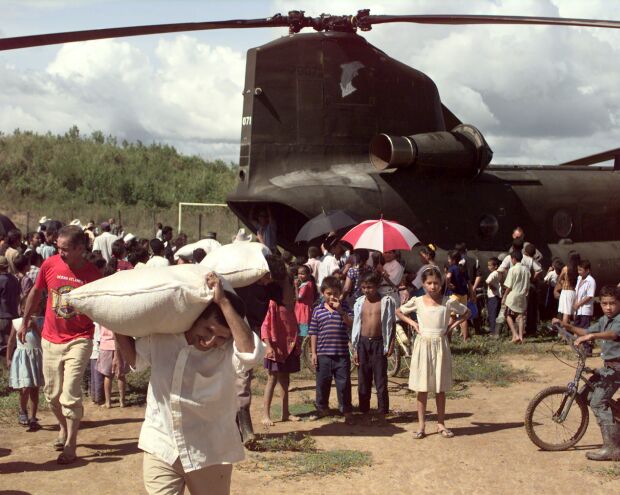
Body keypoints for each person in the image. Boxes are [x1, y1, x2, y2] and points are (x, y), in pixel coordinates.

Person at [115, 273, 264, 494]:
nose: (211, 341)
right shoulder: (162, 336)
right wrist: (114, 323)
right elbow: (135, 359)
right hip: (161, 444)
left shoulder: (229, 350)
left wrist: (223, 301)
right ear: (195, 318)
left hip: (210, 452)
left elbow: (251, 354)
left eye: (221, 337)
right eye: (208, 330)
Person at [19, 225, 102, 465]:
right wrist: (25, 321)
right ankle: (64, 427)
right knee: (52, 395)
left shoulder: (92, 275)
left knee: (70, 394)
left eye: (65, 249)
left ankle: (71, 444)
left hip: (80, 338)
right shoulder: (50, 264)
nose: (60, 253)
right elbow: (36, 293)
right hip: (50, 338)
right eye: (58, 248)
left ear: (80, 248)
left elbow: (102, 306)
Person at [397, 266, 470, 439]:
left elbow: (466, 312)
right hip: (423, 345)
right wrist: (413, 324)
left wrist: (451, 326)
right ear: (423, 284)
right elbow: (399, 312)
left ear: (441, 283)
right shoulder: (418, 301)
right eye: (429, 283)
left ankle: (440, 423)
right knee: (422, 388)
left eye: (436, 283)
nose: (433, 286)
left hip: (440, 346)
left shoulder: (448, 301)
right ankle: (421, 425)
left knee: (440, 387)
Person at [552, 286, 620, 461]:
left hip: (618, 370)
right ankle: (617, 422)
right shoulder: (604, 320)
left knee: (598, 402)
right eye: (605, 304)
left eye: (612, 303)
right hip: (609, 368)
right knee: (585, 394)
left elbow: (612, 335)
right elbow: (587, 331)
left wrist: (592, 338)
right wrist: (566, 325)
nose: (608, 307)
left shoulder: (618, 321)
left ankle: (612, 448)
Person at [309, 276, 353, 422]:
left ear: (340, 293)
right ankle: (322, 408)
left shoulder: (345, 307)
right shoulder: (318, 310)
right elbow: (314, 332)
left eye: (335, 293)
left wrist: (340, 311)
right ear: (323, 293)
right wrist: (314, 353)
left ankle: (346, 410)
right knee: (322, 382)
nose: (332, 296)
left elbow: (350, 323)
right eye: (328, 293)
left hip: (341, 354)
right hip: (323, 354)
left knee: (344, 383)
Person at [352, 271, 395, 417]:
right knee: (363, 379)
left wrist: (391, 344)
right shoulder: (359, 303)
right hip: (362, 343)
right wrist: (355, 348)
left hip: (379, 343)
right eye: (363, 287)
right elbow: (356, 326)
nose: (366, 290)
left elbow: (391, 324)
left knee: (380, 379)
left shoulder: (386, 302)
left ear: (377, 286)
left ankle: (382, 411)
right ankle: (364, 410)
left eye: (369, 287)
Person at [261, 282, 301, 426]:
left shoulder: (290, 307)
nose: (292, 292)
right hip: (276, 349)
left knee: (285, 380)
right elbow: (265, 326)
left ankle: (285, 412)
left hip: (288, 348)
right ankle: (266, 414)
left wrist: (297, 343)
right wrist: (268, 346)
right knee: (272, 379)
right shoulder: (273, 305)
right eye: (290, 289)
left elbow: (294, 327)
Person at [6, 314, 44, 430]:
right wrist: (8, 358)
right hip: (23, 358)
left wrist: (35, 327)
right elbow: (11, 341)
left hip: (37, 357)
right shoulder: (17, 322)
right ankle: (22, 411)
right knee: (25, 387)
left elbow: (44, 340)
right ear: (22, 309)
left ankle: (33, 418)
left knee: (35, 388)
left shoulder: (41, 321)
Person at [502, 251, 530, 344]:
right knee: (520, 316)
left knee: (507, 314)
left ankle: (515, 335)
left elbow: (509, 286)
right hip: (522, 295)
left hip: (513, 295)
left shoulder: (512, 269)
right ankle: (521, 337)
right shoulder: (526, 270)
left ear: (513, 259)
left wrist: (504, 296)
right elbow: (527, 285)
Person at [97, 325, 129, 408]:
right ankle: (122, 401)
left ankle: (108, 402)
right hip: (120, 345)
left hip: (105, 345)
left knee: (108, 376)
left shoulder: (101, 316)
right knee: (120, 375)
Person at [445, 251, 470, 341]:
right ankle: (465, 338)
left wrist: (448, 284)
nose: (448, 260)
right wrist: (472, 293)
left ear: (453, 260)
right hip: (464, 295)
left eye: (448, 259)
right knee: (463, 316)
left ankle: (448, 338)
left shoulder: (452, 268)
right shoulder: (463, 268)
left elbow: (448, 277)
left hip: (454, 295)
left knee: (452, 317)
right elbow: (469, 282)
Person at [573, 259, 596, 355]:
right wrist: (575, 303)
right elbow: (577, 292)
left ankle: (588, 350)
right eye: (578, 270)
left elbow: (590, 296)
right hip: (578, 309)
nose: (579, 272)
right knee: (577, 328)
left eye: (581, 270)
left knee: (585, 329)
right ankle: (580, 349)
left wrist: (579, 304)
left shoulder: (591, 281)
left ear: (587, 270)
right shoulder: (579, 278)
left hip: (585, 309)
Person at [555, 251, 581, 325]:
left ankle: (564, 333)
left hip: (566, 292)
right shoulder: (579, 269)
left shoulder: (565, 268)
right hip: (575, 291)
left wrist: (564, 284)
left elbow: (559, 279)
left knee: (566, 313)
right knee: (575, 311)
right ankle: (576, 329)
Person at [0, 256, 20, 348]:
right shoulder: (14, 279)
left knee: (4, 345)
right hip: (14, 315)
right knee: (11, 343)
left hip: (2, 316)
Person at [294, 264, 316, 338]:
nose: (300, 276)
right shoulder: (309, 283)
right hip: (305, 308)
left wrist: (296, 287)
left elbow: (299, 297)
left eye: (302, 274)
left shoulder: (305, 285)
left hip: (303, 310)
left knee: (303, 328)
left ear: (308, 274)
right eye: (299, 273)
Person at [485, 257, 502, 337]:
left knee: (492, 314)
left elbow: (487, 281)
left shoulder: (493, 273)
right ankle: (496, 331)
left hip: (493, 296)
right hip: (498, 295)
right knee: (496, 313)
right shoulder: (499, 273)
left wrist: (491, 286)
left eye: (490, 265)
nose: (488, 267)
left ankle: (493, 332)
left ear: (495, 266)